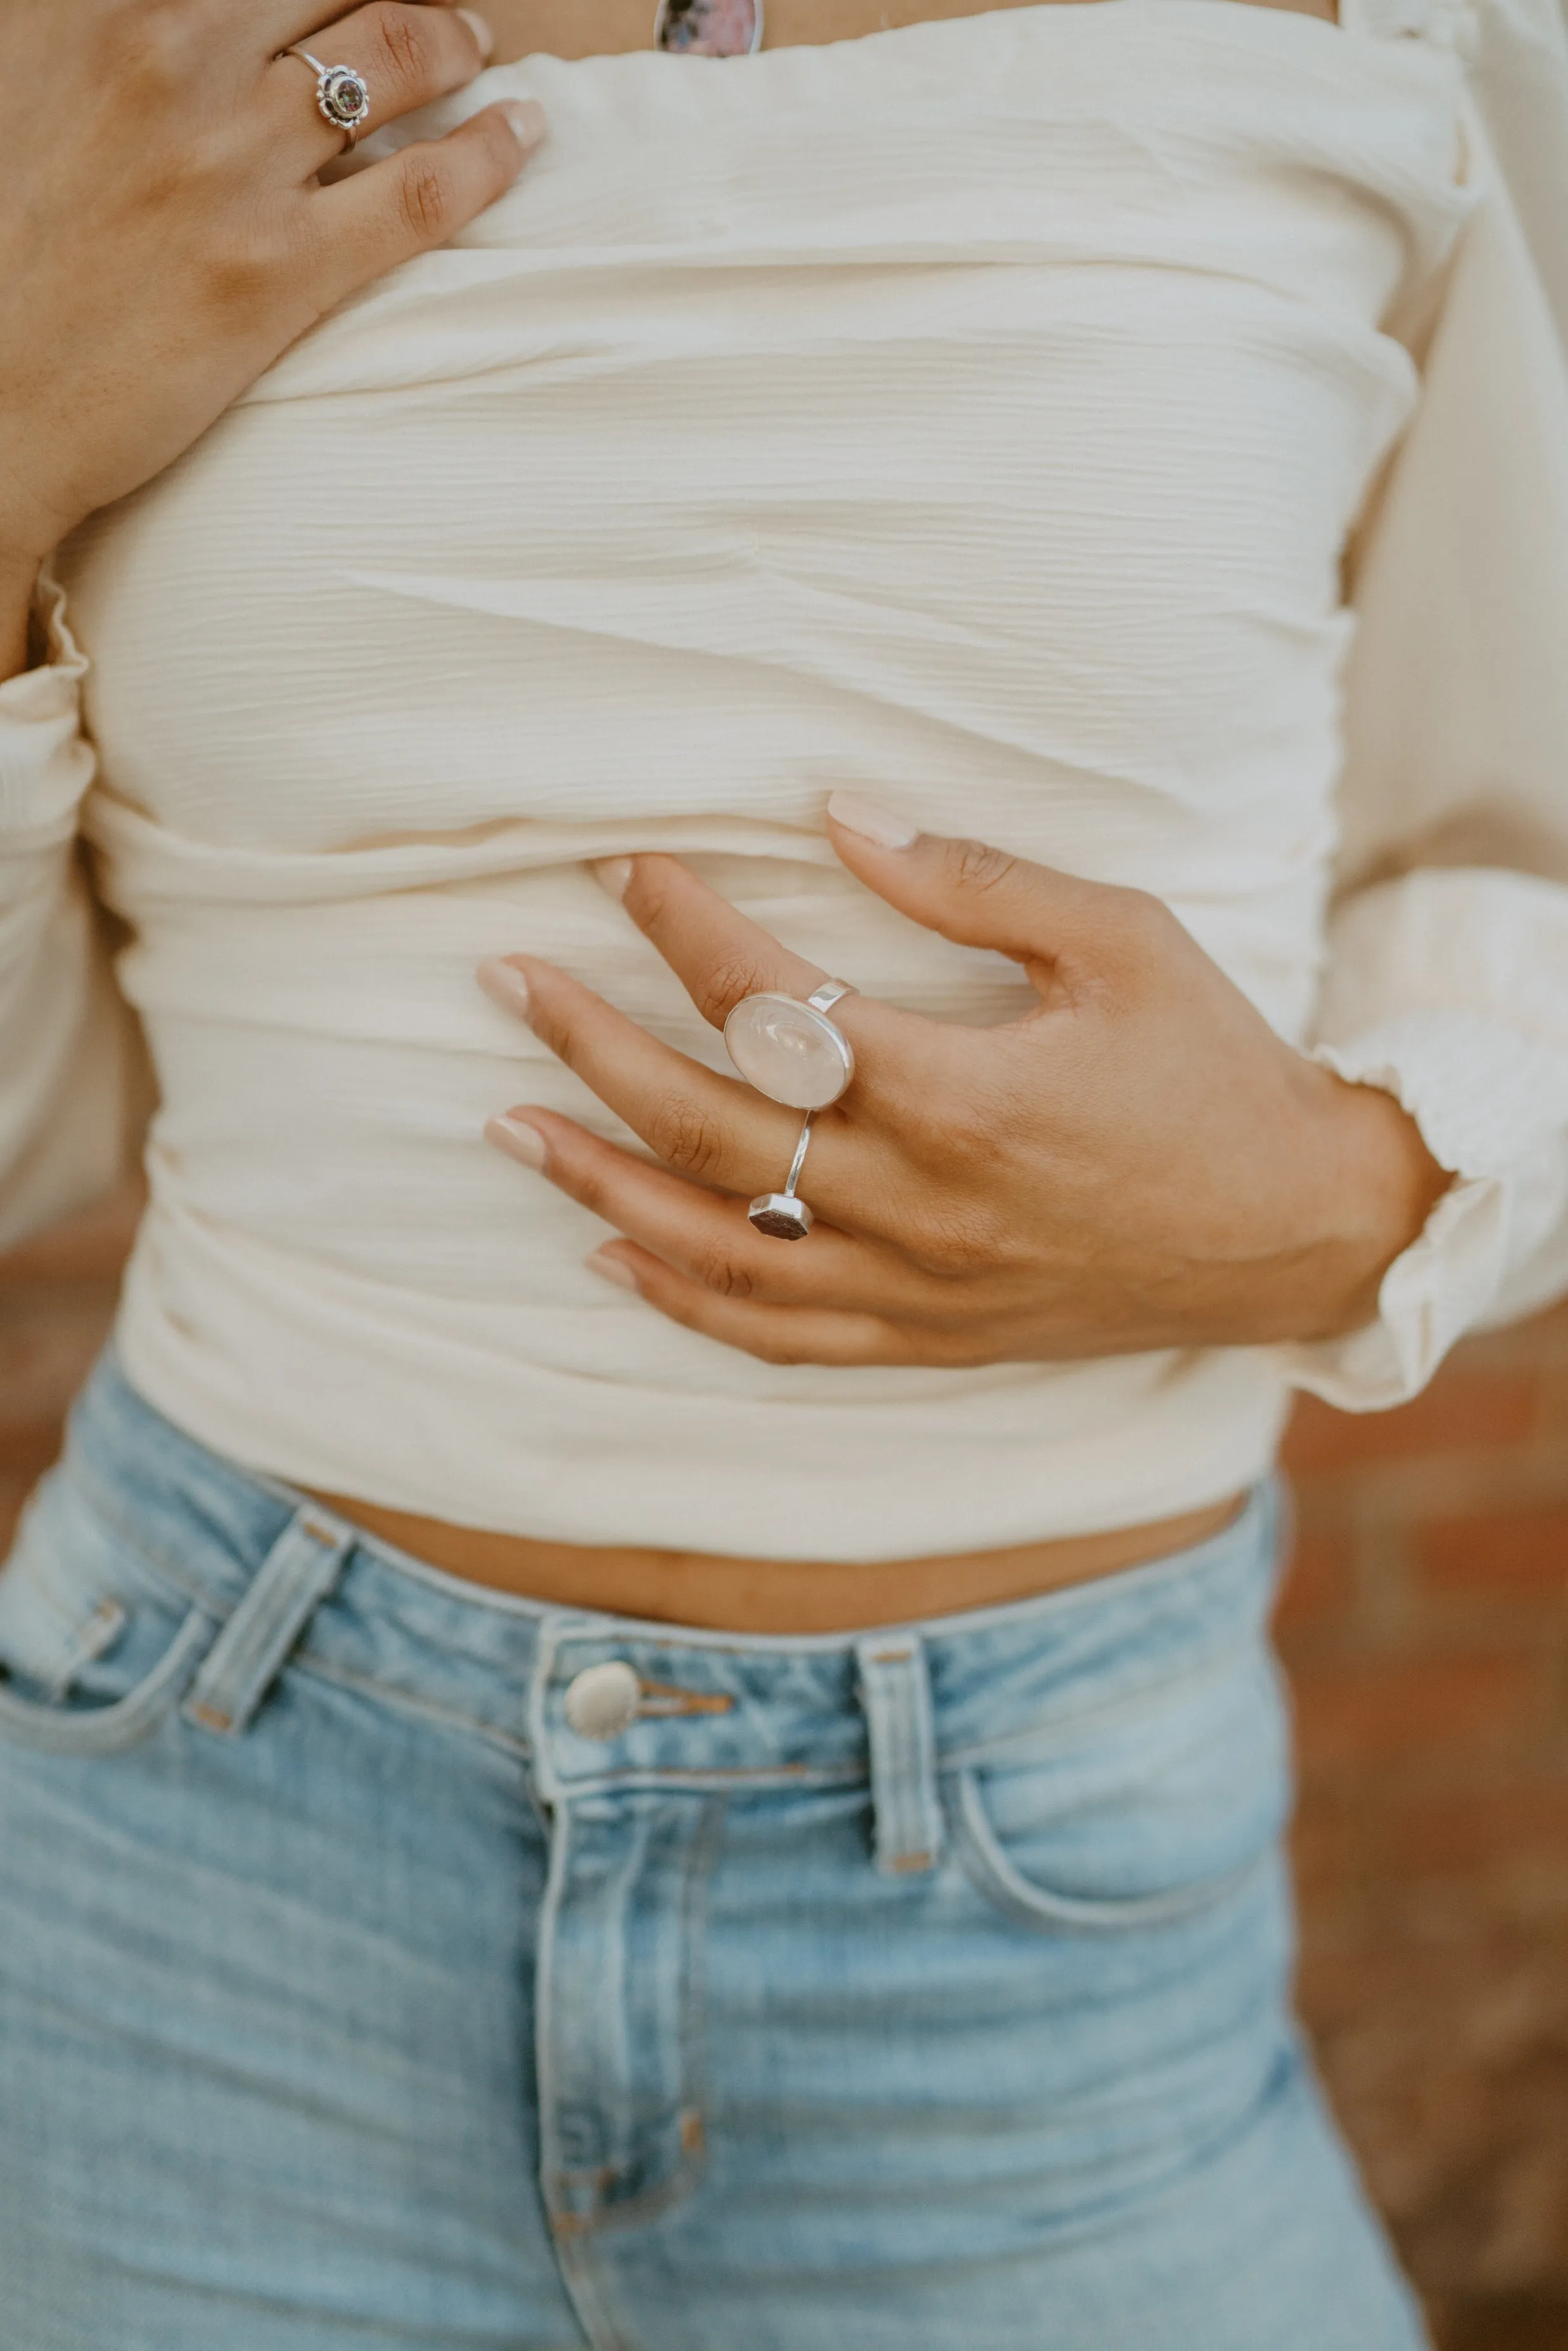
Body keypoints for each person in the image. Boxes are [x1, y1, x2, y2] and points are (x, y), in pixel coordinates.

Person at [1, 0, 1566, 2343]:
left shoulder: (1421, 34)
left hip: (1047, 1929)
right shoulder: (82, 58)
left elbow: (1519, 845)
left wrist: (1349, 1197)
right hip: (206, 1856)